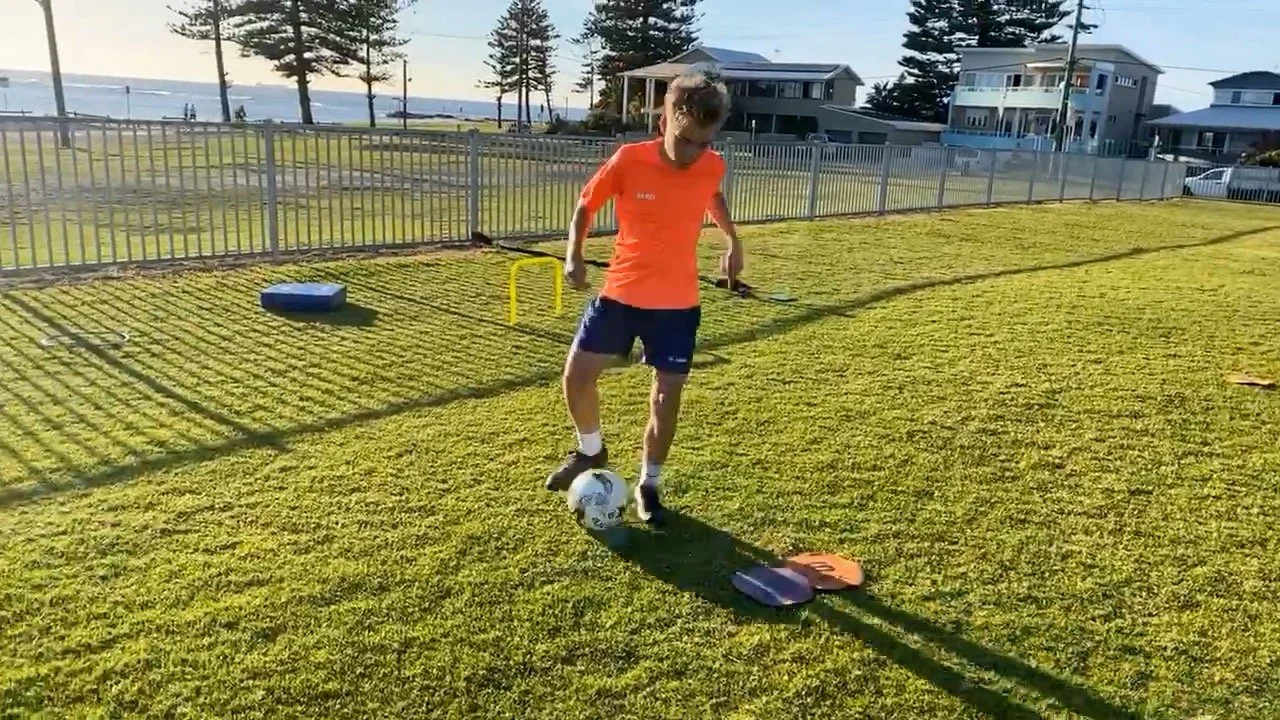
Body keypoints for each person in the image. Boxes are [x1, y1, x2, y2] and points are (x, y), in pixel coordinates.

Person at [545, 71, 741, 527]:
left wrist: (733, 240)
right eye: (687, 139)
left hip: (676, 304)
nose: (696, 153)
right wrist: (573, 254)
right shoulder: (629, 161)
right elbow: (585, 206)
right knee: (576, 376)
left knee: (666, 397)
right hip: (622, 292)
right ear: (666, 119)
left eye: (705, 143)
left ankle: (649, 483)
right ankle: (590, 451)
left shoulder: (712, 164)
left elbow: (713, 196)